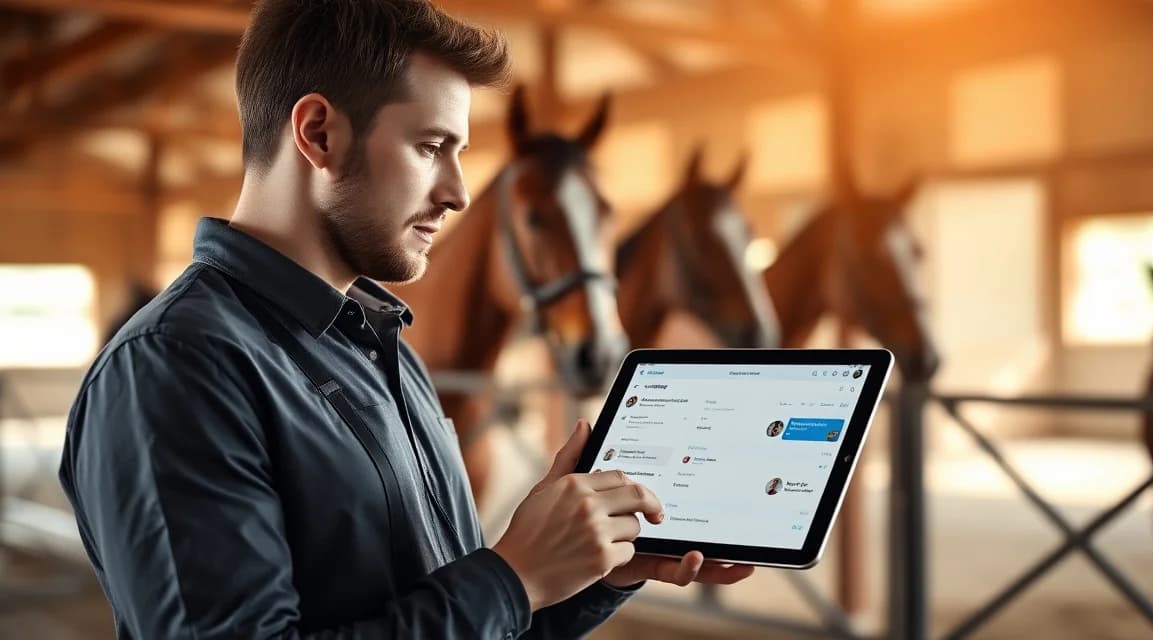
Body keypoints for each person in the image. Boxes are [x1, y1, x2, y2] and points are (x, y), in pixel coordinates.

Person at [57, 2, 752, 638]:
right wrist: (512, 577)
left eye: (460, 153)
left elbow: (452, 617)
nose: (455, 193)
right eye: (430, 147)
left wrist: (580, 576)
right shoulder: (175, 365)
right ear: (319, 134)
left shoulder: (383, 345)